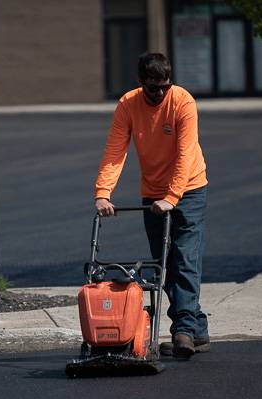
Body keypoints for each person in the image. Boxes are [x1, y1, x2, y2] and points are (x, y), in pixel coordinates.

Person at [94, 52, 209, 359]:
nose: (159, 93)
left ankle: (183, 330)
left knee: (185, 256)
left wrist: (172, 198)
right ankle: (197, 328)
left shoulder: (183, 102)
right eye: (153, 87)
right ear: (140, 82)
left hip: (190, 189)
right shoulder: (128, 105)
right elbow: (115, 151)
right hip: (154, 193)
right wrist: (103, 193)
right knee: (163, 262)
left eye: (164, 86)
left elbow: (185, 155)